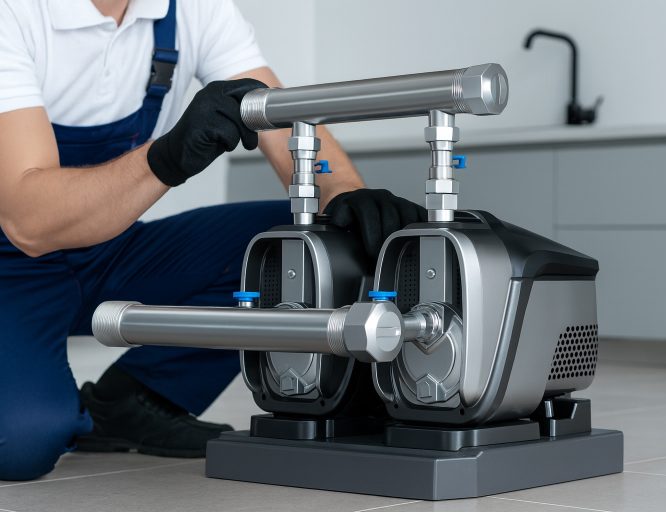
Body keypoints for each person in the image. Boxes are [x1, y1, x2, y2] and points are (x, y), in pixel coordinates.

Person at [0, 0, 424, 481]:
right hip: (11, 265)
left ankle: (138, 398)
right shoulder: (15, 13)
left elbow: (280, 117)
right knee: (22, 442)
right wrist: (165, 160)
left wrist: (346, 197)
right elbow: (29, 223)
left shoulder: (192, 10)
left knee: (300, 243)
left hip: (109, 248)